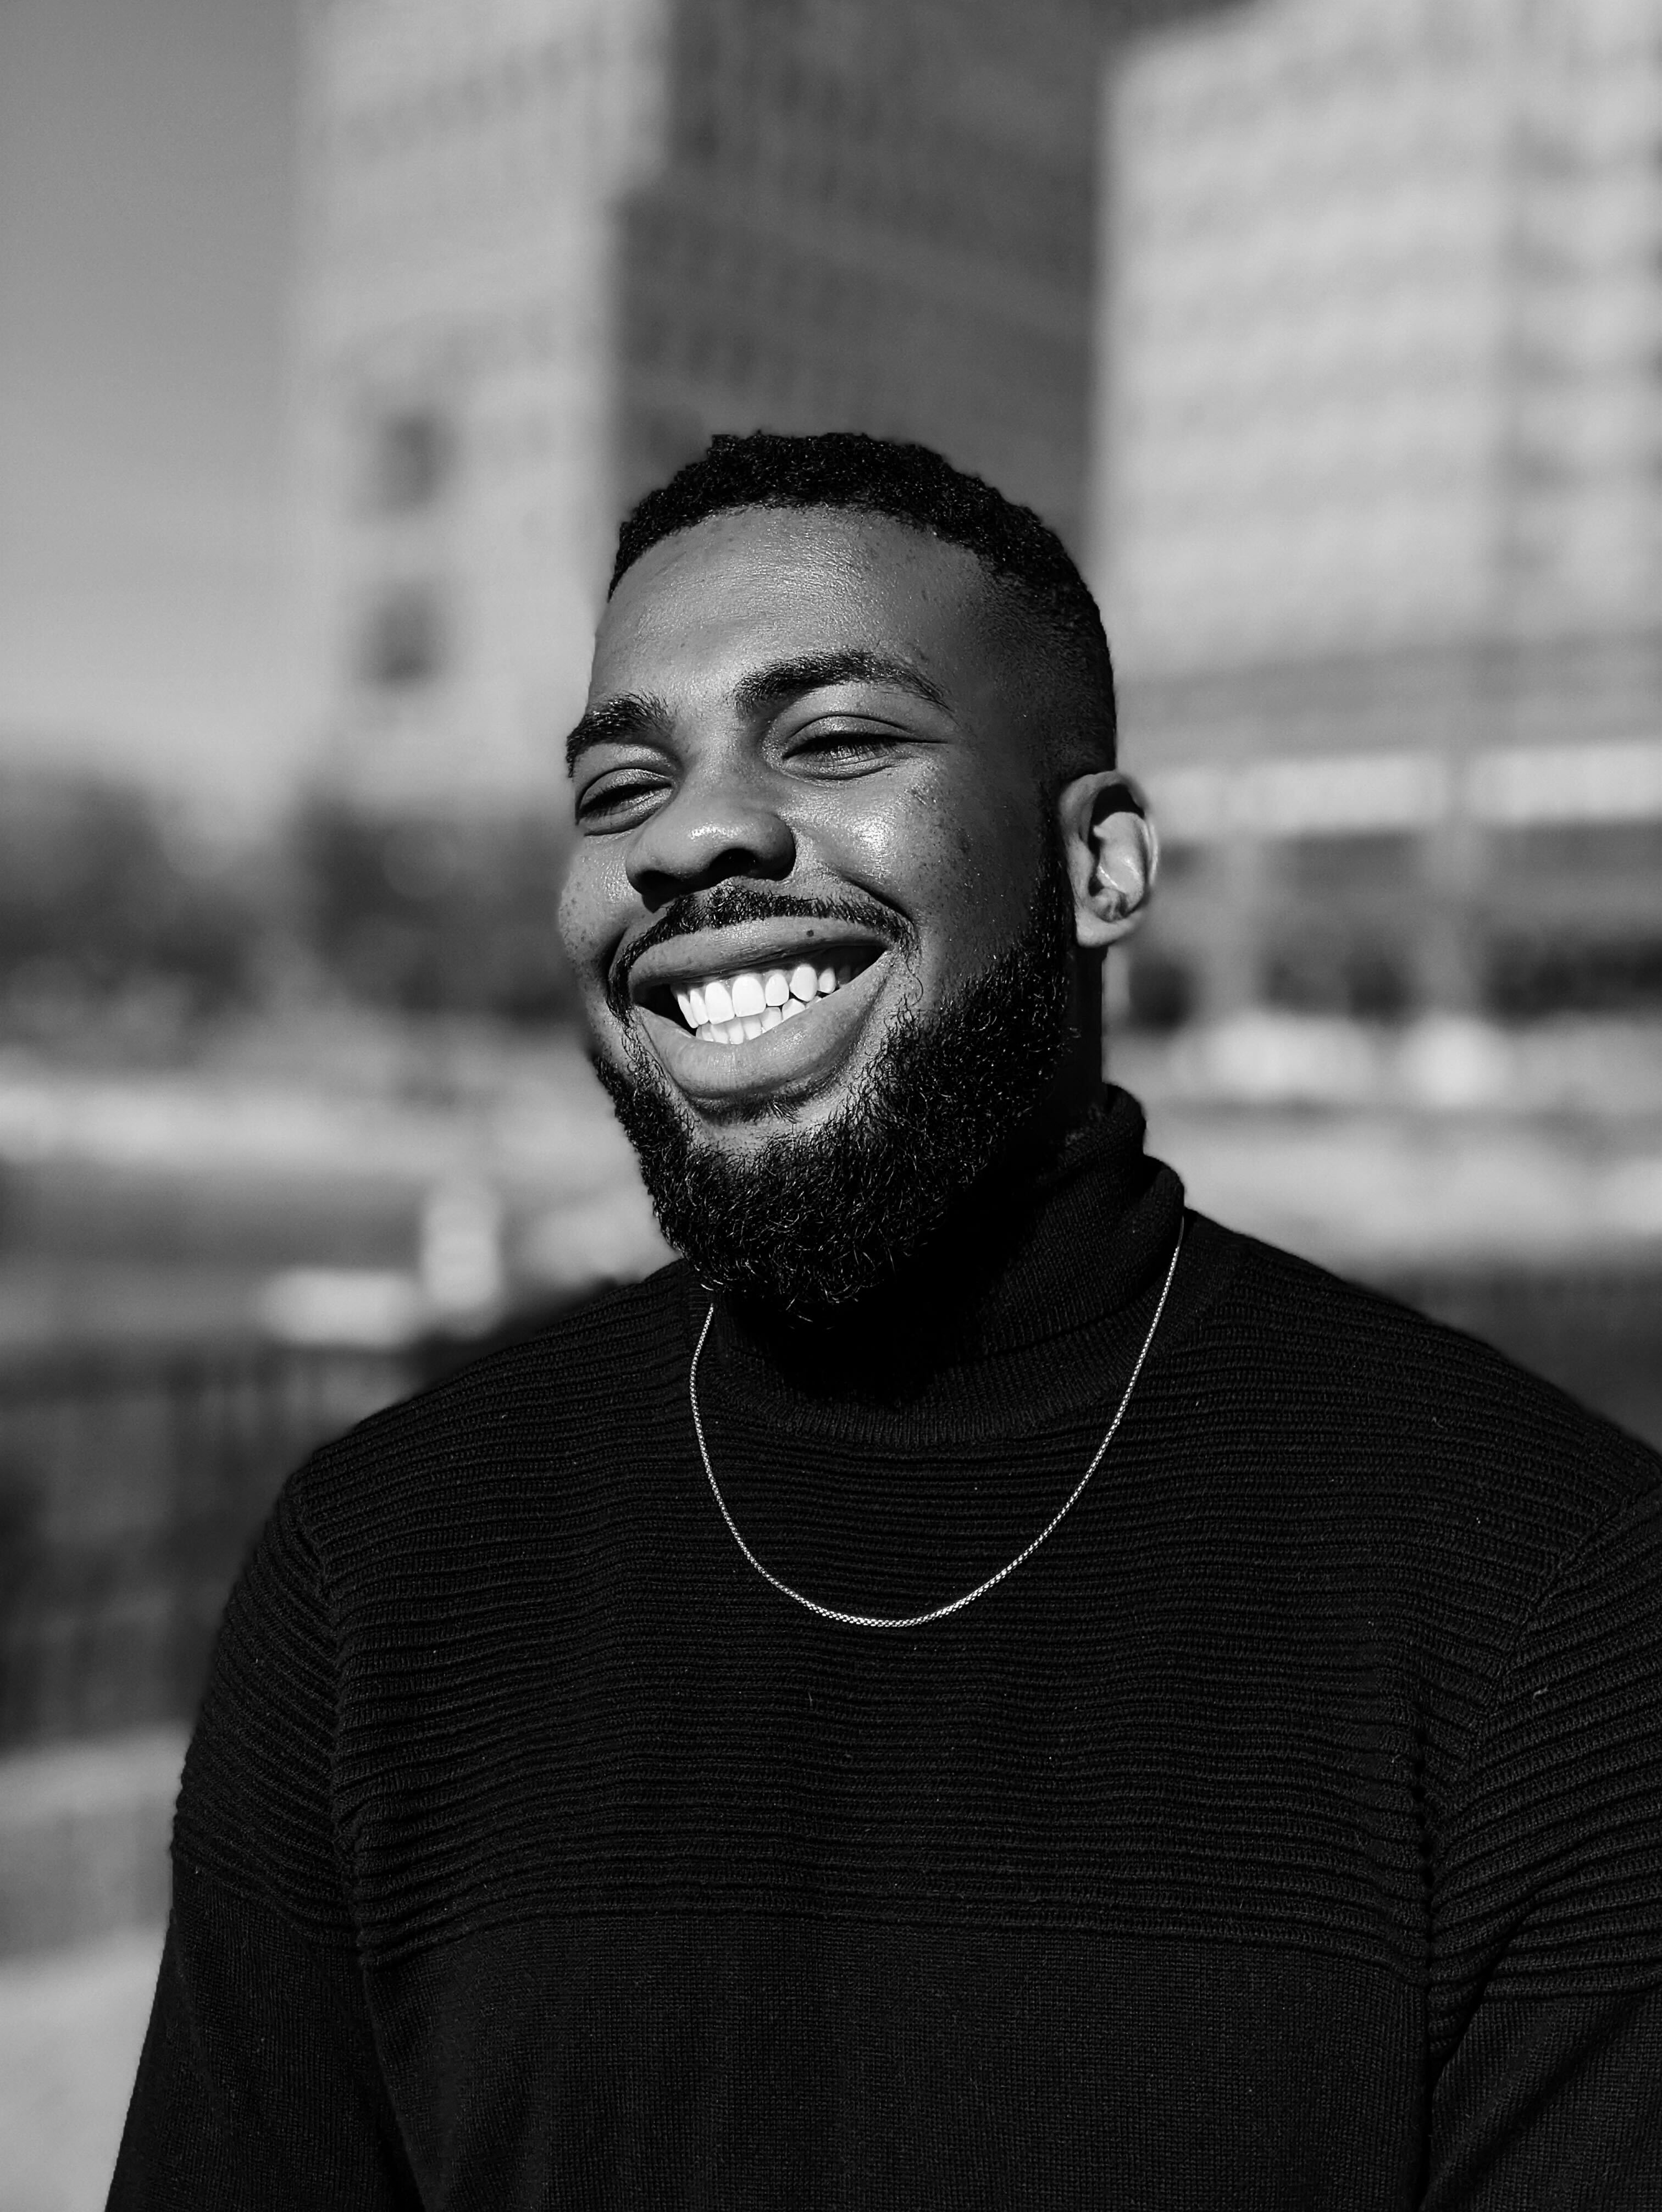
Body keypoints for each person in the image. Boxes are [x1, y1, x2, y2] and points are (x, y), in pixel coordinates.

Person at [112, 434, 1662, 2208]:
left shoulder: (1551, 1595)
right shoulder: (380, 1572)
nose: (689, 834)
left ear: (1104, 866)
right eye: (619, 785)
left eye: (840, 739)